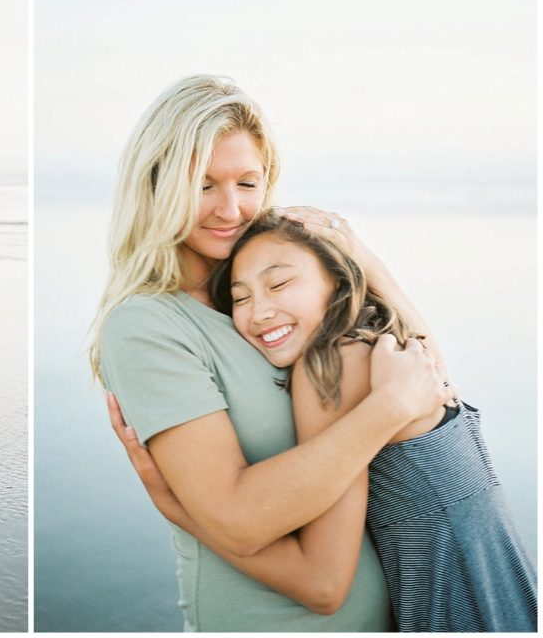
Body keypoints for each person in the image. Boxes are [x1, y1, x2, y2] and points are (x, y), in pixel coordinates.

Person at [89, 75, 450, 631]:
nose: (230, 210)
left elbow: (429, 388)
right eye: (201, 184)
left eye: (247, 183)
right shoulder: (147, 326)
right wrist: (385, 411)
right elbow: (241, 522)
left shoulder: (278, 295)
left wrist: (369, 267)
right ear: (156, 185)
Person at [201, 209, 535, 631]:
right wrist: (369, 262)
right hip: (509, 597)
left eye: (279, 283)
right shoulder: (385, 347)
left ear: (338, 280)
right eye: (241, 298)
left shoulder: (330, 366)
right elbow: (441, 377)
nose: (260, 311)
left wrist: (179, 506)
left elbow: (323, 584)